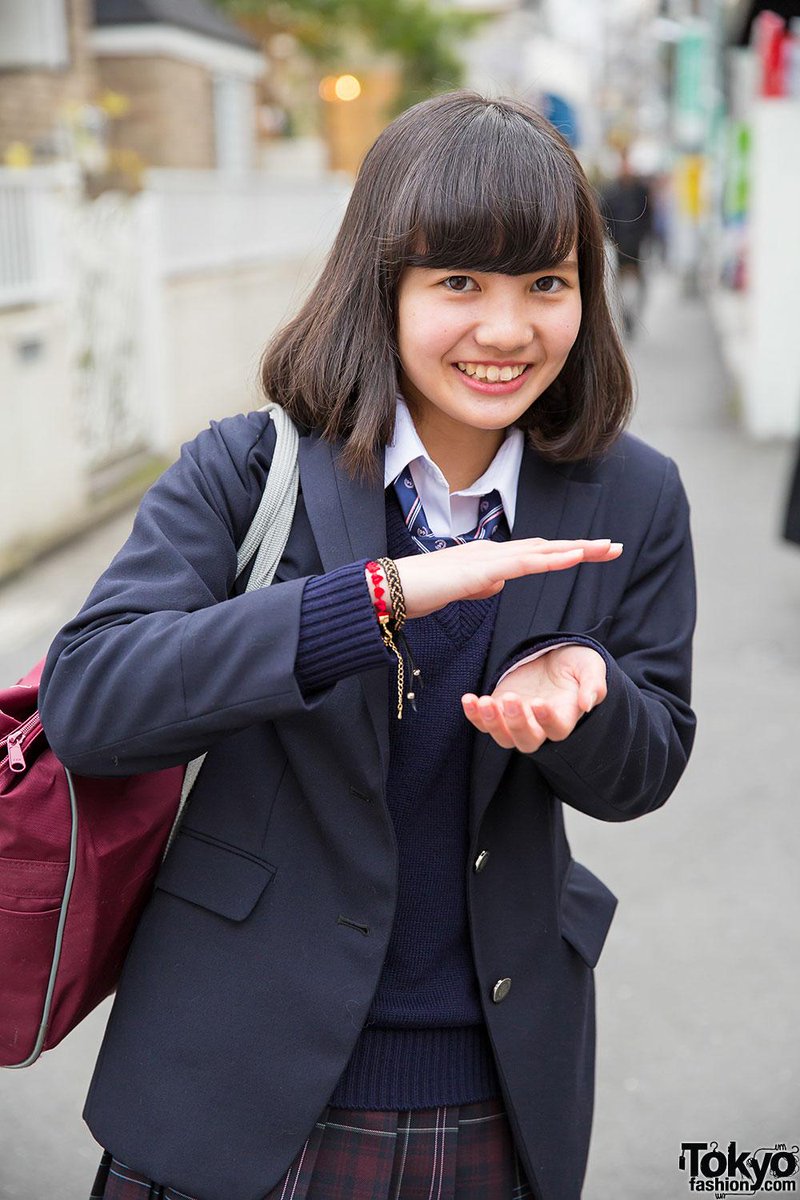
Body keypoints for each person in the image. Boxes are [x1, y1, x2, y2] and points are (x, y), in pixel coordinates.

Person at [39, 91, 696, 1200]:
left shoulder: (630, 493)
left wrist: (590, 697)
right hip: (233, 1076)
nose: (505, 330)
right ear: (378, 286)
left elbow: (649, 763)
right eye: (457, 283)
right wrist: (375, 599)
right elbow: (91, 700)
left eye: (546, 284)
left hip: (496, 1078)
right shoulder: (249, 469)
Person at [599, 148, 654, 337]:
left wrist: (646, 236)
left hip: (637, 244)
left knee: (639, 284)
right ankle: (626, 316)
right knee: (620, 286)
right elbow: (604, 215)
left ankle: (633, 315)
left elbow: (648, 216)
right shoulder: (611, 192)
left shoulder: (640, 191)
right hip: (620, 245)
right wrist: (611, 239)